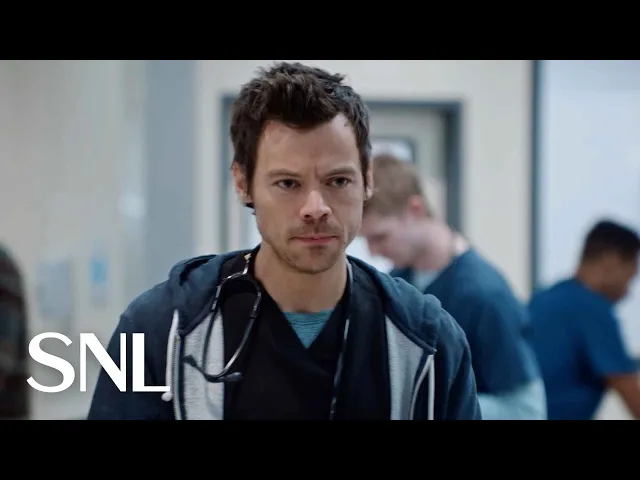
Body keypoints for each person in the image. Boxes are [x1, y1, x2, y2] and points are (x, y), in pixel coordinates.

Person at [87, 62, 481, 420]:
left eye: (338, 181)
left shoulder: (428, 345)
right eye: (288, 183)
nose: (315, 208)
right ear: (242, 183)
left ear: (367, 181)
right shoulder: (161, 331)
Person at [359, 154, 546, 420]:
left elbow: (527, 411)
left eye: (380, 237)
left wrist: (432, 404)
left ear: (415, 210)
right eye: (366, 240)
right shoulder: (397, 284)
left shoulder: (485, 296)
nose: (373, 251)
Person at [529, 220, 640, 420]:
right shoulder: (592, 309)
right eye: (629, 277)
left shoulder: (543, 298)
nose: (627, 292)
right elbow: (630, 393)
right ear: (611, 261)